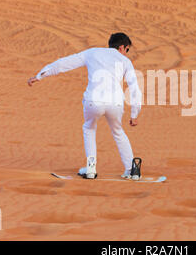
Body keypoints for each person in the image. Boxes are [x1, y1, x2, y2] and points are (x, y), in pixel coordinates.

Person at [27, 33, 142, 179]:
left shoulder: (92, 52)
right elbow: (134, 88)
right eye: (127, 50)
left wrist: (39, 76)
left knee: (89, 128)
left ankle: (91, 169)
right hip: (116, 103)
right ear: (122, 47)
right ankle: (131, 170)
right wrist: (134, 114)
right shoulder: (125, 61)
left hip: (93, 101)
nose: (127, 53)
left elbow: (63, 63)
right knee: (118, 132)